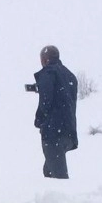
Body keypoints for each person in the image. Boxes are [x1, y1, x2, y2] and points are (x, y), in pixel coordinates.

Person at [33, 45, 78, 179]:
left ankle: (67, 200)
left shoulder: (48, 73)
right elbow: (65, 99)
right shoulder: (70, 76)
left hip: (53, 132)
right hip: (68, 132)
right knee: (49, 172)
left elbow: (46, 101)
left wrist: (39, 119)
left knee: (59, 178)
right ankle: (50, 199)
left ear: (45, 60)